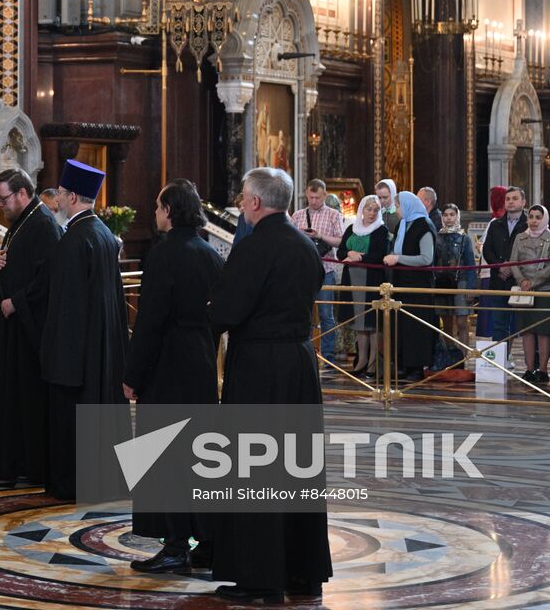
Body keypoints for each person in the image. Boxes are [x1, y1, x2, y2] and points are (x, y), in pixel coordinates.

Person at [209, 167, 332, 602]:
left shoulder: (252, 247)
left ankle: (261, 580)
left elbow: (225, 311)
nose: (242, 205)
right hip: (299, 364)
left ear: (256, 203)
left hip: (260, 366)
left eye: (244, 198)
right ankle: (303, 571)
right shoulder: (304, 245)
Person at [124, 179, 222, 575]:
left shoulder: (165, 255)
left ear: (170, 210)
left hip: (166, 366)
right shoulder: (210, 253)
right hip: (200, 363)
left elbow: (149, 322)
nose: (154, 213)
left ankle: (177, 544)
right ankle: (208, 542)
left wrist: (132, 374)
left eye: (159, 206)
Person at [39, 159, 129, 501]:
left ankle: (72, 484)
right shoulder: (103, 233)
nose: (58, 200)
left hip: (76, 357)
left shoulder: (74, 240)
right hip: (102, 349)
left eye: (61, 194)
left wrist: (54, 359)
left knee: (73, 425)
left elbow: (65, 308)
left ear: (73, 196)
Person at [0, 167, 61, 487]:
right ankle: (8, 461)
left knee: (26, 399)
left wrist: (17, 301)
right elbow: (13, 266)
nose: (0, 206)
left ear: (23, 193)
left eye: (3, 199)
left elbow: (49, 279)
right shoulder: (19, 224)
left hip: (29, 331)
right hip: (12, 329)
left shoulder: (44, 225)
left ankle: (27, 463)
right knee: (9, 396)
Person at [383, 190, 437, 380]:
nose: (396, 210)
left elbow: (426, 258)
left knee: (416, 328)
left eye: (398, 206)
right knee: (402, 327)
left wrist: (398, 258)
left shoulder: (424, 225)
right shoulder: (402, 225)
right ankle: (404, 364)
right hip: (400, 284)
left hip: (418, 287)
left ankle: (416, 366)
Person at [290, 179, 344, 364]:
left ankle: (329, 356)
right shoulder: (297, 215)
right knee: (300, 311)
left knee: (326, 314)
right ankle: (303, 352)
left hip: (326, 269)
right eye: (311, 197)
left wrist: (319, 236)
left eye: (318, 197)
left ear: (325, 195)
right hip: (302, 271)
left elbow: (340, 241)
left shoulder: (333, 215)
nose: (314, 201)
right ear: (306, 194)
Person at [508, 204, 550, 384]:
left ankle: (543, 369)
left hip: (545, 290)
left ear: (544, 219)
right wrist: (521, 281)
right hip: (524, 290)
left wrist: (533, 282)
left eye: (538, 217)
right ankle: (529, 369)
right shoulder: (520, 237)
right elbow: (513, 262)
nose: (533, 220)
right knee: (527, 331)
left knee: (543, 331)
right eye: (531, 217)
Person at [337, 194, 388, 377]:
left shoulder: (381, 230)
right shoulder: (352, 228)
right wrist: (349, 252)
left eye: (375, 210)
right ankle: (361, 361)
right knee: (359, 322)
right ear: (361, 210)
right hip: (352, 278)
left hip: (371, 278)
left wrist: (361, 257)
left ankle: (373, 364)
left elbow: (381, 254)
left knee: (372, 323)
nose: (372, 213)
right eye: (368, 209)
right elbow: (340, 251)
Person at [432, 203, 478, 372]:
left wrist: (471, 287)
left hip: (462, 282)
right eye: (446, 215)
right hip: (442, 282)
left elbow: (471, 264)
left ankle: (464, 356)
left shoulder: (463, 237)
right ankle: (451, 356)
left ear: (457, 216)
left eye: (452, 214)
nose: (449, 218)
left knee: (462, 321)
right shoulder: (438, 236)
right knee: (447, 321)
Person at [479, 186, 527, 346]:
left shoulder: (529, 224)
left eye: (515, 198)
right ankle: (500, 363)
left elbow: (530, 251)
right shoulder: (495, 224)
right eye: (508, 199)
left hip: (520, 280)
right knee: (499, 325)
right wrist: (500, 266)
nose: (511, 202)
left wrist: (511, 268)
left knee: (524, 326)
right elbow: (487, 249)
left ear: (523, 202)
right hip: (498, 279)